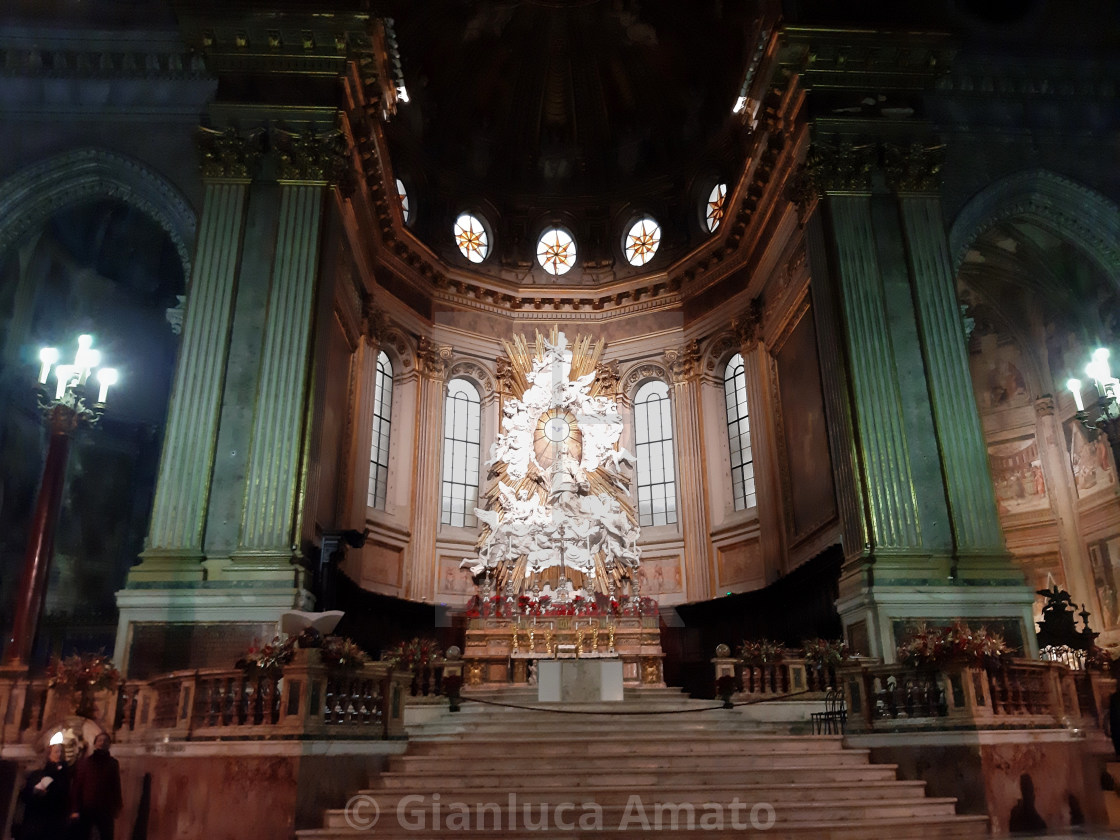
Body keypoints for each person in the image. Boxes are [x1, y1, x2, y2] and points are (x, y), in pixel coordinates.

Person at [13, 741, 71, 840]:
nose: (59, 755)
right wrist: (35, 792)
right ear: (49, 754)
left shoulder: (66, 774)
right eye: (56, 752)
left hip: (56, 819)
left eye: (61, 752)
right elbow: (26, 796)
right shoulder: (38, 773)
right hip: (38, 819)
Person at [70, 732, 122, 840]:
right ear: (95, 743)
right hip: (86, 807)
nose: (102, 743)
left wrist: (117, 805)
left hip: (105, 808)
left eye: (105, 740)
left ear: (109, 744)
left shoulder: (113, 763)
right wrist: (74, 808)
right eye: (100, 740)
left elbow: (115, 785)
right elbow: (77, 786)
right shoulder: (85, 763)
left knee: (106, 835)